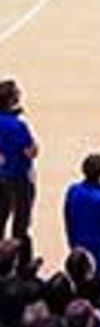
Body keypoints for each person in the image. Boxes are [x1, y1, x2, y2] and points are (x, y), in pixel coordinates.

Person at [0, 80, 36, 241]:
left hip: (2, 176)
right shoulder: (17, 126)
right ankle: (18, 257)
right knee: (21, 221)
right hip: (18, 178)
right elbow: (30, 151)